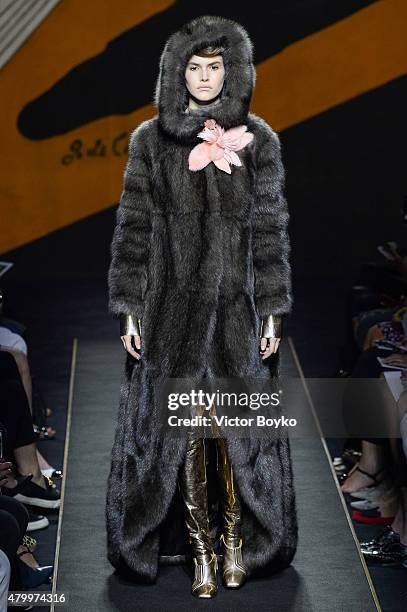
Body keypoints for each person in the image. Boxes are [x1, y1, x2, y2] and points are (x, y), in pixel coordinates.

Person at [106, 15, 297, 598]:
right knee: (185, 434)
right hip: (170, 313)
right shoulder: (149, 141)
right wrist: (130, 310)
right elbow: (133, 232)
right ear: (176, 73)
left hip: (237, 313)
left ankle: (236, 539)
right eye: (195, 67)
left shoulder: (260, 140)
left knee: (233, 429)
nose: (207, 78)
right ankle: (201, 551)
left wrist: (272, 309)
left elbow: (270, 232)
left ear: (233, 72)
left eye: (216, 67)